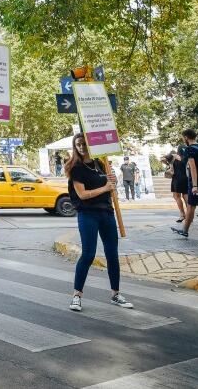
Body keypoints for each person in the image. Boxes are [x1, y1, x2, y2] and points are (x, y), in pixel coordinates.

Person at [66, 134, 134, 312]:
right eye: (78, 145)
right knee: (88, 254)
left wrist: (113, 181)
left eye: (84, 144)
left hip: (106, 213)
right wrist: (105, 187)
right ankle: (76, 296)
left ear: (91, 145)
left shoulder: (101, 163)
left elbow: (111, 185)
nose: (81, 147)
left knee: (112, 254)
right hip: (88, 214)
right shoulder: (76, 168)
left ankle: (116, 294)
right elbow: (82, 195)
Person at [165, 149, 188, 222]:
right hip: (185, 178)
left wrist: (171, 155)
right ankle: (190, 214)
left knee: (177, 196)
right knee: (185, 195)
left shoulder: (172, 158)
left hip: (177, 179)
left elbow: (162, 159)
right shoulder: (185, 157)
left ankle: (182, 214)